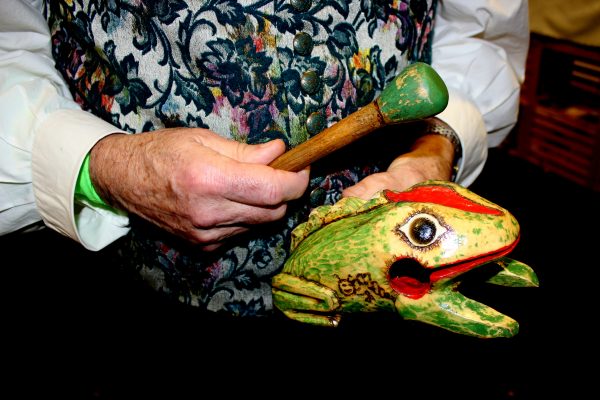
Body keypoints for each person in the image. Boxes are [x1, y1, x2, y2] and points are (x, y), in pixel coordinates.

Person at [0, 0, 529, 315]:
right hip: (120, 285)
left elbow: (479, 38)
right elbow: (8, 46)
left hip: (379, 312)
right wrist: (108, 169)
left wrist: (435, 145)